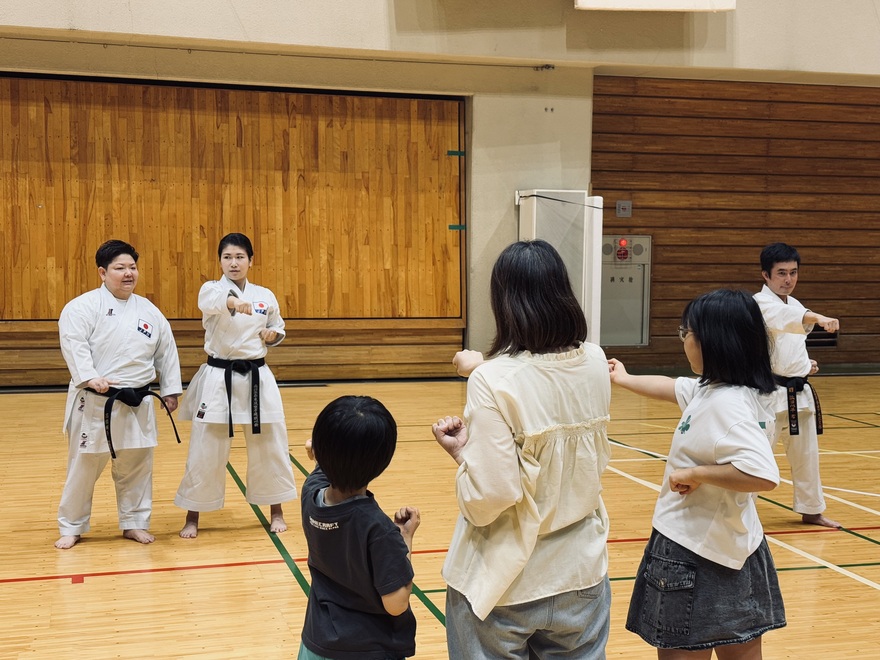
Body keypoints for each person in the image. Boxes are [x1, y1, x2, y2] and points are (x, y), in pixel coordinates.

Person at [432, 239, 613, 659]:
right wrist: (483, 369)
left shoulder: (491, 379)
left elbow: (491, 497)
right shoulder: (595, 361)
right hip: (580, 572)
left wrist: (463, 456)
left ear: (504, 301)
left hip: (505, 581)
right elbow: (544, 388)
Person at [609, 289, 786, 659]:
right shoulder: (728, 389)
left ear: (709, 341)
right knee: (742, 650)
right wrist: (624, 378)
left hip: (691, 550)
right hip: (736, 544)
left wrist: (698, 472)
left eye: (685, 333)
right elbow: (674, 387)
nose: (683, 340)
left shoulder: (726, 405)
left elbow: (763, 473)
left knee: (682, 653)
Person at [55, 239, 182, 549]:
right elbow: (74, 344)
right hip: (97, 401)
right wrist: (89, 376)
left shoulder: (149, 311)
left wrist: (170, 390)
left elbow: (167, 351)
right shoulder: (81, 307)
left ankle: (135, 522)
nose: (129, 274)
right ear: (102, 272)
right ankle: (72, 525)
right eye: (120, 268)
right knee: (84, 467)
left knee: (137, 465)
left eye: (133, 267)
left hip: (137, 401)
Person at [175, 233, 297, 537]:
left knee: (270, 444)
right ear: (220, 261)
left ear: (251, 261)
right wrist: (232, 302)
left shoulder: (265, 295)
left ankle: (276, 510)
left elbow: (277, 326)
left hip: (257, 377)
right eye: (228, 257)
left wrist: (273, 335)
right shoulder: (212, 289)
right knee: (206, 447)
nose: (234, 262)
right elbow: (211, 302)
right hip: (219, 378)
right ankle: (193, 515)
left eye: (240, 257)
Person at [299, 395, 420, 660]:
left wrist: (319, 452)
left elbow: (323, 467)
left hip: (317, 643)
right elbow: (396, 604)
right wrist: (405, 537)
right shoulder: (378, 529)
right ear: (382, 461)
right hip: (368, 648)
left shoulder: (311, 493)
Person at [754, 242, 841, 528]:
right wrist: (818, 317)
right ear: (766, 275)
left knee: (807, 456)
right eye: (781, 273)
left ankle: (811, 510)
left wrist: (805, 365)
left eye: (793, 272)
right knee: (755, 455)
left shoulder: (795, 304)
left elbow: (789, 343)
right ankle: (742, 512)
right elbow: (785, 322)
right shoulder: (759, 303)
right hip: (766, 395)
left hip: (797, 393)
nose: (788, 279)